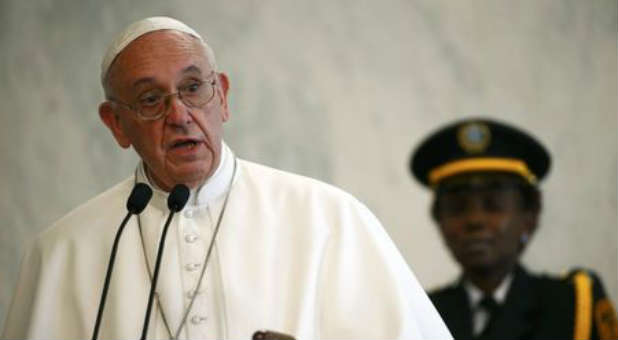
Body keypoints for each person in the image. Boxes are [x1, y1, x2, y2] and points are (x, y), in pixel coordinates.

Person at [1, 17, 451, 340]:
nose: (179, 116)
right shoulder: (62, 252)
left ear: (224, 97)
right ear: (116, 124)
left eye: (194, 88)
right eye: (150, 99)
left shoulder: (330, 219)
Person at [409, 118, 618, 339]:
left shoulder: (571, 305)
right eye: (457, 207)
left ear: (531, 214)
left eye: (494, 204)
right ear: (438, 220)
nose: (474, 220)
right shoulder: (421, 315)